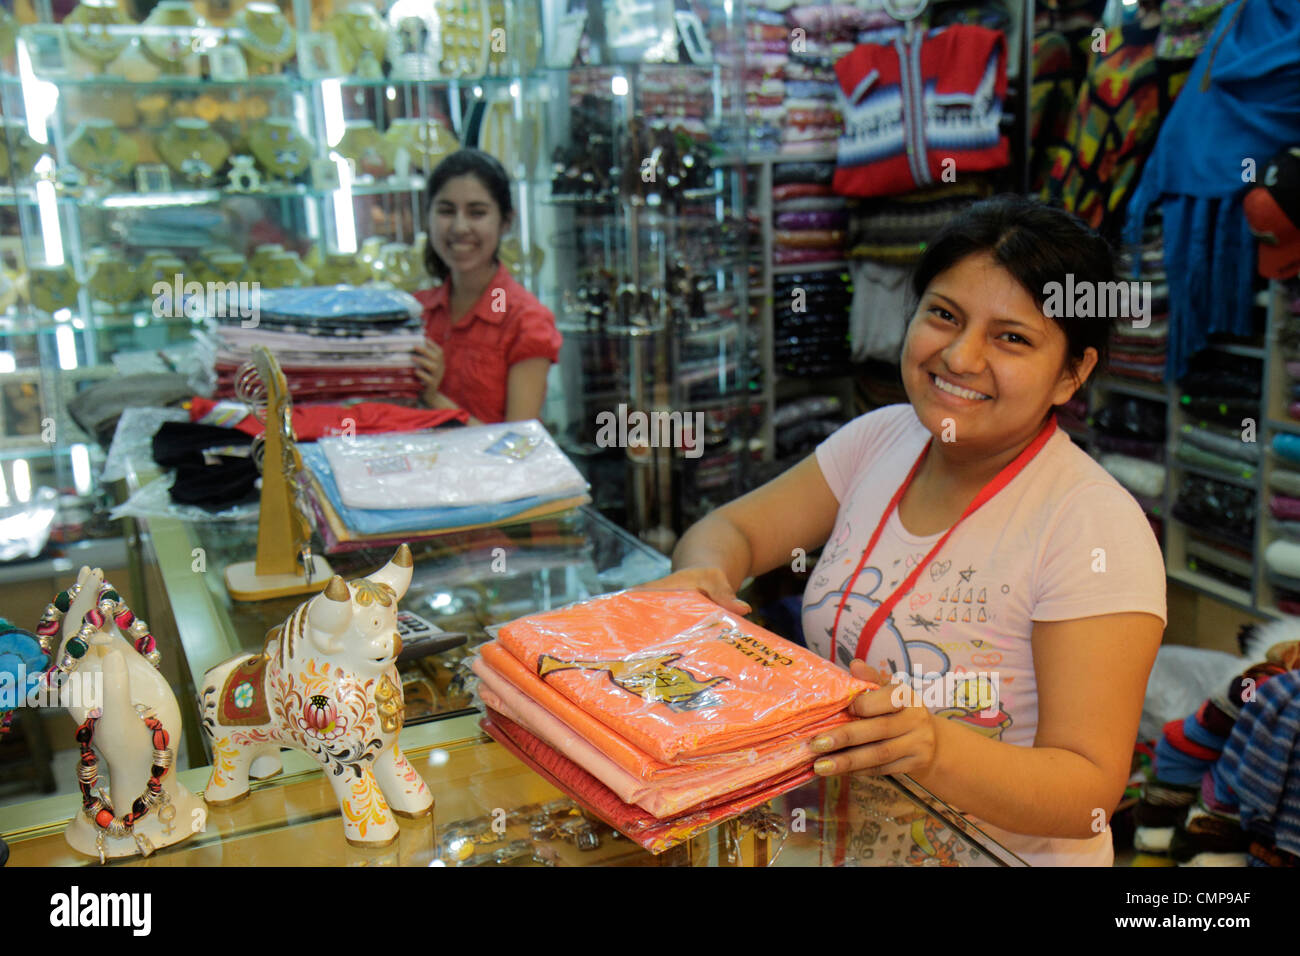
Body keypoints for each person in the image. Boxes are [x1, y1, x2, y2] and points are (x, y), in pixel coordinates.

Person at [646, 195, 1167, 866]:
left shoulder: (1093, 528)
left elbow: (1088, 794)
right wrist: (706, 575)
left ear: (1073, 373)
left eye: (1012, 337)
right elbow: (733, 529)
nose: (960, 355)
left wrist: (934, 748)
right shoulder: (882, 438)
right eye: (944, 315)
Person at [412, 149, 561, 424]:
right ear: (427, 218)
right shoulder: (415, 312)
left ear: (505, 222)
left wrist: (434, 399)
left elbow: (517, 447)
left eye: (477, 213)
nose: (459, 227)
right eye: (446, 211)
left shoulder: (525, 321)